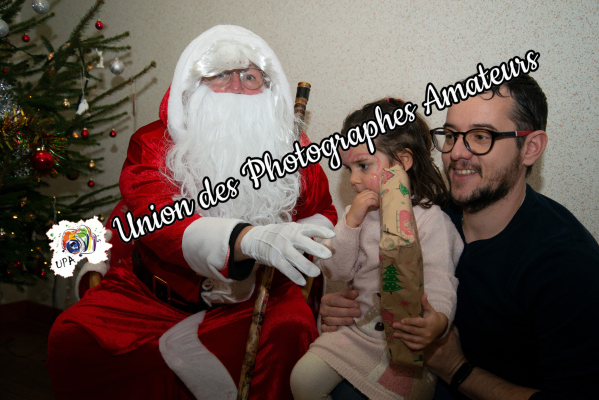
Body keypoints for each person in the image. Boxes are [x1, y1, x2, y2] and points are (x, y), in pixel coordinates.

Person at [47, 25, 338, 400]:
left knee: (292, 328)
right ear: (193, 84)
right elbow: (161, 222)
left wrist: (300, 242)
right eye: (221, 75)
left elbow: (322, 212)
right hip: (154, 296)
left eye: (250, 78)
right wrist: (247, 239)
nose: (236, 87)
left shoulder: (294, 151)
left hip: (254, 300)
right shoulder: (153, 144)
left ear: (270, 90)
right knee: (74, 334)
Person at [319, 74, 599, 400]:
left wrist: (457, 370)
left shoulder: (567, 263)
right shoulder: (429, 214)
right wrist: (353, 306)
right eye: (451, 136)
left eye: (481, 136)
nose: (457, 153)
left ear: (530, 148)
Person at [290, 98, 463, 400]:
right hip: (356, 332)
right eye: (349, 169)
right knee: (301, 381)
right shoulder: (356, 216)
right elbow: (335, 270)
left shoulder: (431, 220)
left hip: (406, 339)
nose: (353, 180)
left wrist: (438, 321)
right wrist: (351, 224)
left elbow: (440, 278)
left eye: (363, 166)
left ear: (402, 162)